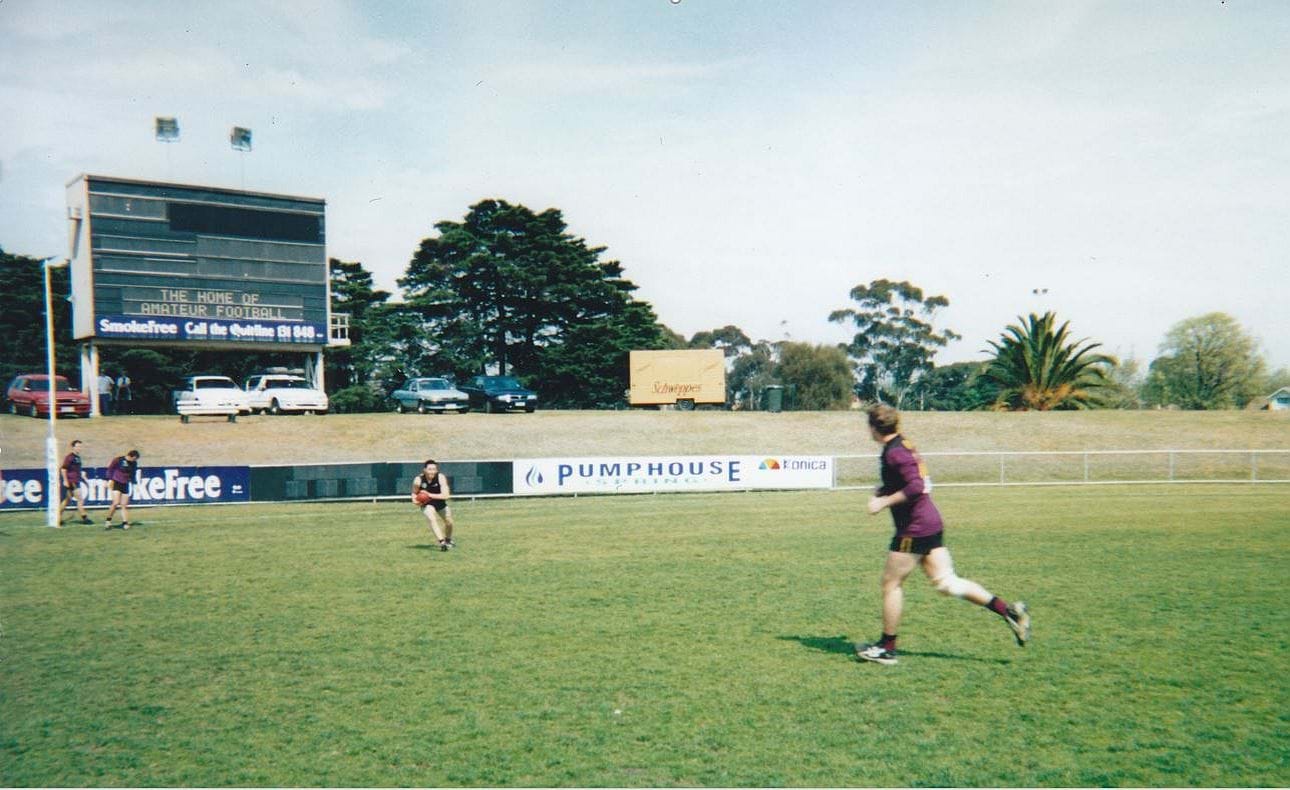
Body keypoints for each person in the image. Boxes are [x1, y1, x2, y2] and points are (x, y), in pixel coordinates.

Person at [855, 404, 1030, 665]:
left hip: (914, 529)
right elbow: (907, 479)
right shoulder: (902, 444)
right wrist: (883, 489)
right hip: (929, 523)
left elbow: (915, 485)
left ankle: (887, 648)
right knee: (947, 582)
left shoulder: (894, 453)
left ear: (873, 427)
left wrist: (883, 502)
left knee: (891, 584)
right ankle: (1010, 612)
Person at [411, 459, 455, 551]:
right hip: (427, 503)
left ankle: (448, 540)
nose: (432, 471)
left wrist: (428, 494)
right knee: (431, 518)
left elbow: (446, 495)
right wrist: (414, 500)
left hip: (439, 501)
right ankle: (442, 542)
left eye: (434, 469)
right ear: (424, 470)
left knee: (449, 522)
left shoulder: (440, 477)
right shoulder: (418, 480)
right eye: (430, 469)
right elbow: (414, 493)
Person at [58, 439, 93, 526]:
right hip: (72, 481)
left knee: (66, 500)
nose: (79, 448)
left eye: (80, 446)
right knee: (80, 499)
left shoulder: (77, 457)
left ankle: (57, 518)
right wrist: (65, 481)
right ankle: (85, 518)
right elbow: (63, 469)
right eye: (77, 446)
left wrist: (83, 475)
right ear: (73, 447)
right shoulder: (70, 457)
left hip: (75, 480)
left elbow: (76, 469)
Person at [103, 449, 141, 530]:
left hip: (125, 484)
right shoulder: (118, 460)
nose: (135, 460)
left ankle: (125, 523)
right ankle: (108, 520)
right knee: (116, 503)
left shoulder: (134, 463)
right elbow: (110, 469)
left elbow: (133, 474)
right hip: (117, 482)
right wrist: (109, 479)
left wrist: (135, 484)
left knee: (124, 505)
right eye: (134, 458)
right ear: (131, 456)